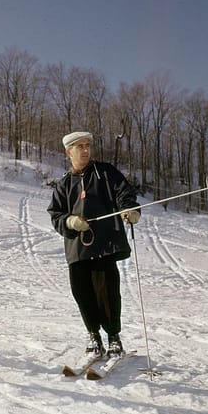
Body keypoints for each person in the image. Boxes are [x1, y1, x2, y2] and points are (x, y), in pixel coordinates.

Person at [47, 131, 141, 358]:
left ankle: (114, 338)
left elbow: (124, 192)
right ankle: (93, 336)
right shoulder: (64, 184)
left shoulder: (105, 173)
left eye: (88, 145)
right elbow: (56, 214)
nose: (86, 150)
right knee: (82, 294)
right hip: (77, 250)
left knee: (107, 293)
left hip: (104, 245)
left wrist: (129, 209)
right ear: (69, 152)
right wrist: (69, 221)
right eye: (80, 147)